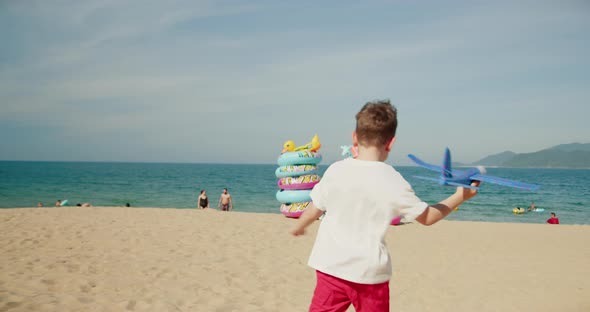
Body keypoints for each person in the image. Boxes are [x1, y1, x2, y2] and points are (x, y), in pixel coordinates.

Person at [290, 100, 479, 311]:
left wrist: (300, 226)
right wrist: (460, 196)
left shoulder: (336, 170)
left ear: (354, 137)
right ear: (391, 142)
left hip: (329, 266)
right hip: (368, 274)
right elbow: (428, 217)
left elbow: (315, 207)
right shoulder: (392, 180)